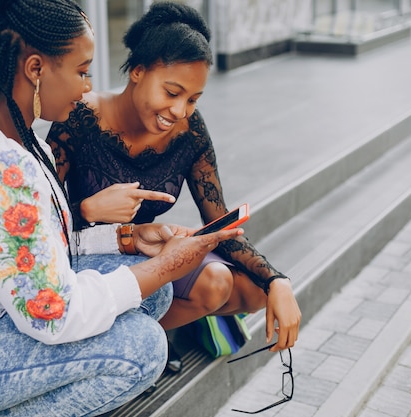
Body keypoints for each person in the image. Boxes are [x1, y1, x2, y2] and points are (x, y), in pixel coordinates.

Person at [0, 1, 242, 416]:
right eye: (82, 71)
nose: (87, 86)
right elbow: (51, 315)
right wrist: (165, 265)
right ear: (35, 69)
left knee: (154, 298)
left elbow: (41, 246)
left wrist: (127, 238)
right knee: (144, 348)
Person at [47, 1, 301, 367]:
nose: (180, 110)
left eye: (193, 99)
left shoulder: (189, 131)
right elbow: (35, 222)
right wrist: (87, 210)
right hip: (91, 258)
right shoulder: (80, 117)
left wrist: (278, 280)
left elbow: (220, 218)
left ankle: (146, 336)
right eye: (171, 92)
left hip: (151, 250)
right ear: (137, 71)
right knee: (200, 284)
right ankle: (117, 345)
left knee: (237, 286)